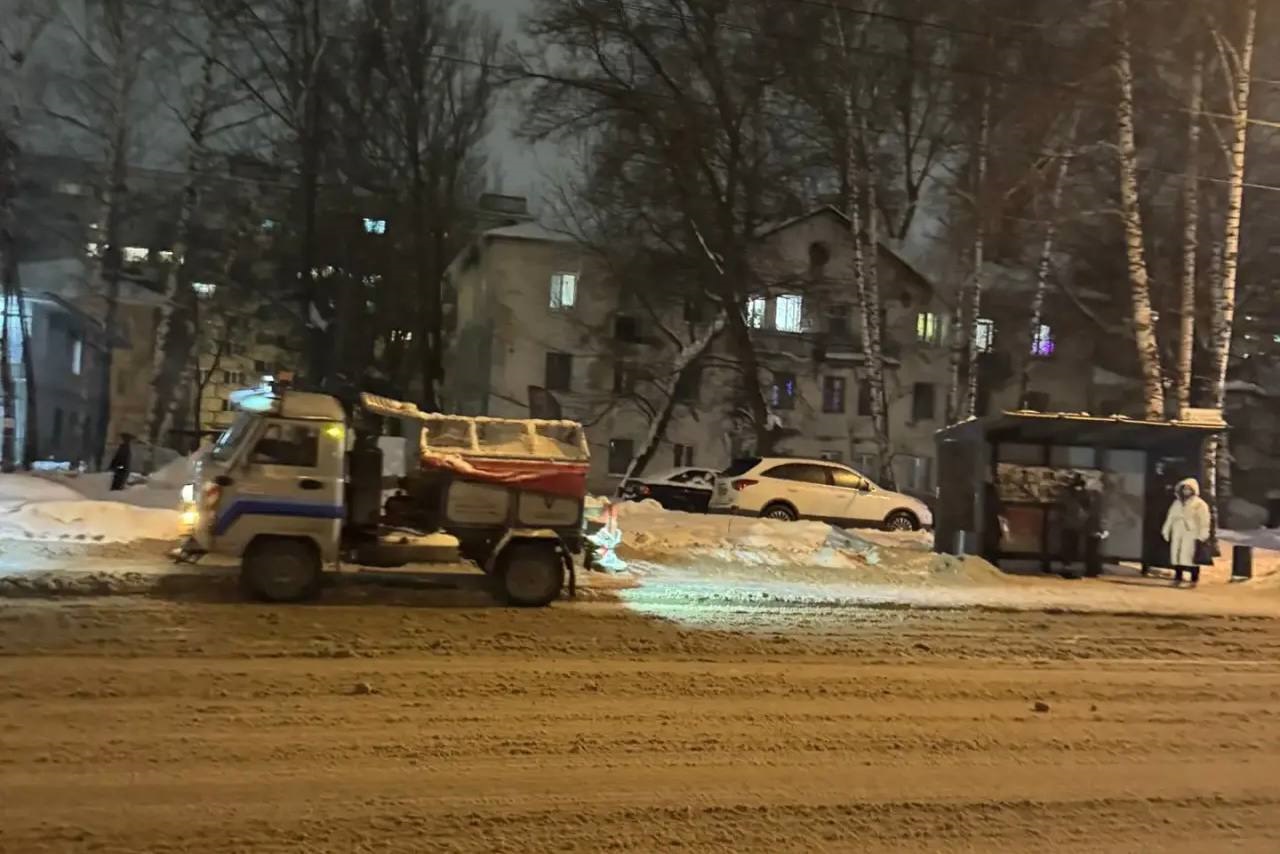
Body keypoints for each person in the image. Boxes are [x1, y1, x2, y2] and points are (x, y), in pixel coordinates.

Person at [1161, 478, 1212, 586]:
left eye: (1189, 489)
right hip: (1177, 531)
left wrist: (1203, 534)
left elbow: (1204, 520)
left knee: (1191, 556)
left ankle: (1194, 579)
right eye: (1184, 489)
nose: (1186, 491)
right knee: (1177, 555)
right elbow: (1170, 517)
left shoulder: (1199, 504)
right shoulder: (1177, 503)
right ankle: (1178, 577)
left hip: (1191, 533)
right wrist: (1166, 530)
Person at [1055, 473, 1100, 579]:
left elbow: (1088, 508)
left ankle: (1069, 568)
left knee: (1073, 548)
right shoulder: (1070, 494)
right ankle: (1067, 568)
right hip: (1071, 524)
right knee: (1069, 548)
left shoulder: (1082, 494)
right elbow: (1062, 508)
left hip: (1077, 525)